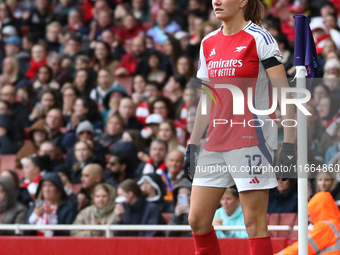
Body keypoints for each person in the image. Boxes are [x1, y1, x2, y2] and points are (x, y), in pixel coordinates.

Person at [184, 1, 296, 255]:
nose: (217, 1)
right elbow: (206, 99)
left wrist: (288, 144)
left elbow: (285, 95)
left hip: (251, 139)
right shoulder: (208, 42)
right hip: (215, 141)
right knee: (197, 220)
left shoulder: (260, 38)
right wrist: (192, 144)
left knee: (254, 225)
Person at [275, 191, 340, 255]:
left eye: (310, 215)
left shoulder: (326, 226)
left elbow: (302, 248)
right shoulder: (335, 224)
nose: (309, 219)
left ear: (317, 211)